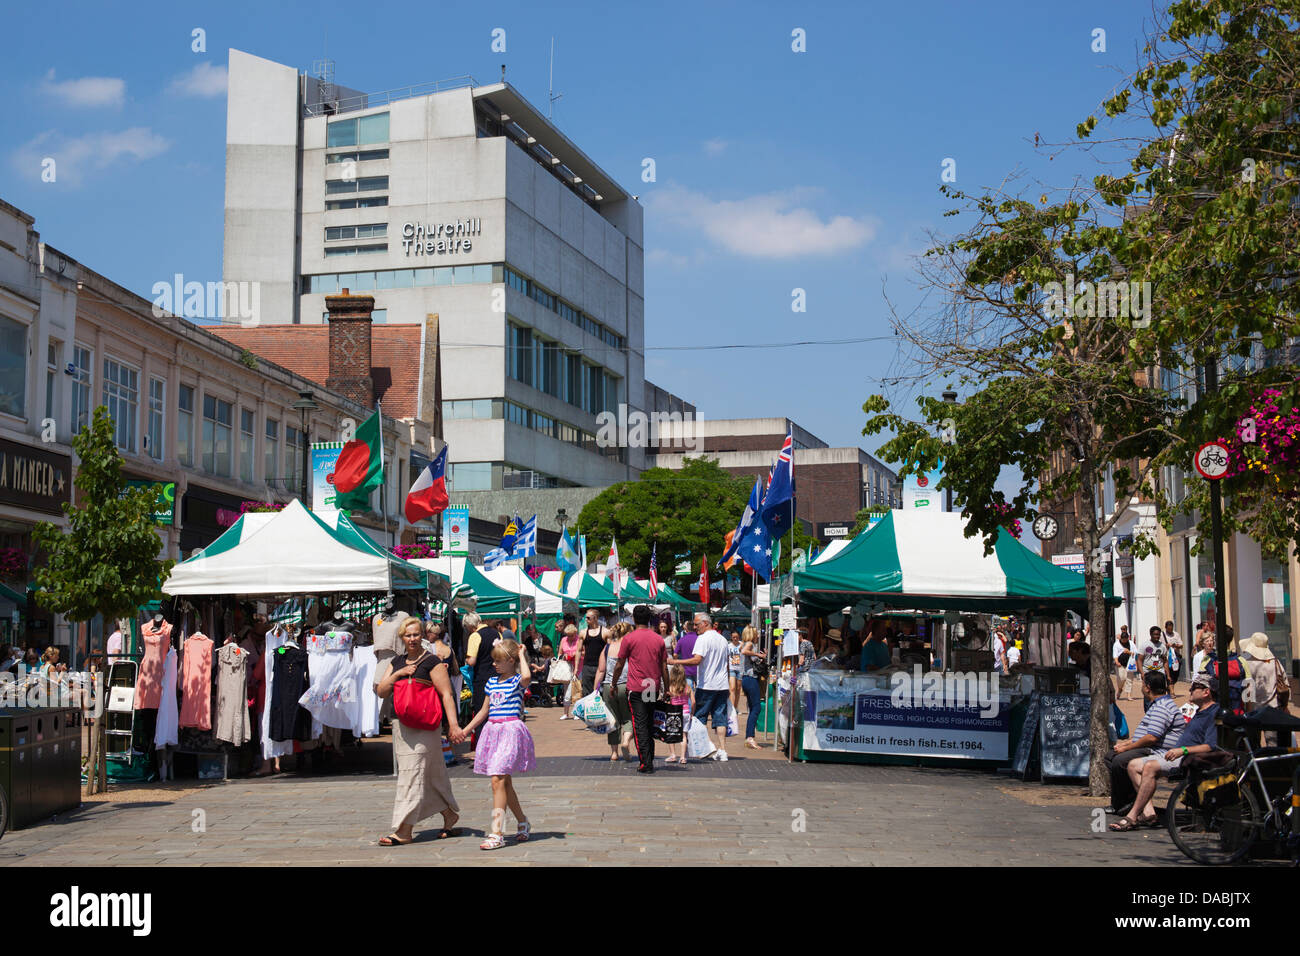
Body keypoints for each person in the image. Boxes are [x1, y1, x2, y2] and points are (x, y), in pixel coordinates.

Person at [373, 617, 464, 846]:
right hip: (403, 727)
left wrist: (453, 725)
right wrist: (397, 675)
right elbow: (382, 691)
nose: (412, 639)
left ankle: (404, 829)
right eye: (408, 635)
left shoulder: (431, 661)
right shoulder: (397, 661)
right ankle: (449, 813)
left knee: (411, 775)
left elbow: (446, 694)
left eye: (416, 634)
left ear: (422, 635)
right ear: (401, 638)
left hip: (426, 727)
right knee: (432, 774)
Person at [1110, 673, 1219, 832]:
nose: (1190, 689)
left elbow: (1210, 746)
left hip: (1186, 758)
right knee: (1133, 765)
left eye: (1194, 687)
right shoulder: (1200, 712)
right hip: (1176, 754)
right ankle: (1148, 813)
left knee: (1143, 766)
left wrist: (1182, 750)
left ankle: (1132, 816)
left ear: (1206, 692)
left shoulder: (1213, 713)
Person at [455, 639, 535, 850]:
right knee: (504, 783)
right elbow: (484, 711)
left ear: (510, 661)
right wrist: (466, 730)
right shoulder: (492, 682)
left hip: (510, 732)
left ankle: (497, 832)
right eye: (494, 661)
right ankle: (523, 821)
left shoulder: (518, 680)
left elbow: (527, 677)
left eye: (499, 661)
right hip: (493, 733)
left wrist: (521, 655)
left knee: (497, 779)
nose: (494, 664)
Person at [1104, 672, 1184, 816]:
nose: (1141, 687)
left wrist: (1127, 748)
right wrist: (1126, 744)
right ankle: (1128, 799)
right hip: (1148, 746)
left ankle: (1125, 803)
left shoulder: (1162, 707)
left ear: (1147, 688)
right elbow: (1144, 734)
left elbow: (1152, 738)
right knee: (1111, 756)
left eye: (1142, 684)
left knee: (1119, 760)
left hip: (1156, 750)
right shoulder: (1156, 705)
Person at [611, 605, 669, 773]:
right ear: (650, 618)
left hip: (636, 687)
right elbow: (664, 666)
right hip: (652, 685)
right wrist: (667, 688)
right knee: (649, 723)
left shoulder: (629, 639)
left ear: (634, 619)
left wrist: (614, 683)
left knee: (640, 725)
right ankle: (648, 757)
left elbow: (619, 664)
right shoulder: (658, 639)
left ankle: (645, 762)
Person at [671, 612, 731, 761]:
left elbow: (697, 660)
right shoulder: (723, 640)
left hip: (707, 684)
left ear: (705, 623)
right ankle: (722, 750)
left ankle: (707, 746)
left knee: (699, 717)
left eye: (697, 624)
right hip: (722, 684)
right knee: (720, 717)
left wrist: (676, 662)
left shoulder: (703, 639)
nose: (695, 627)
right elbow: (727, 663)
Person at [595, 622, 634, 761]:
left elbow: (601, 670)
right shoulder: (630, 648)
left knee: (612, 719)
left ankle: (614, 753)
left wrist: (594, 690)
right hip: (626, 685)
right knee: (628, 716)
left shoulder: (607, 647)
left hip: (608, 686)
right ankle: (626, 741)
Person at [463, 613, 501, 748]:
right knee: (495, 714)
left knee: (481, 715)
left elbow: (472, 661)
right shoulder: (496, 633)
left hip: (482, 679)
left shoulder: (475, 636)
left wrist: (466, 659)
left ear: (471, 626)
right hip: (498, 677)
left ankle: (482, 749)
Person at [738, 625, 764, 750]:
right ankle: (750, 737)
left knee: (753, 707)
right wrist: (759, 655)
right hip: (750, 678)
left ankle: (749, 736)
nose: (758, 636)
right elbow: (744, 652)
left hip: (746, 679)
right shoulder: (749, 644)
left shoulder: (744, 644)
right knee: (756, 707)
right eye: (756, 633)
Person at [664, 664, 694, 763]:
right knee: (684, 735)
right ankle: (682, 757)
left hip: (673, 712)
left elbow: (667, 702)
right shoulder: (688, 687)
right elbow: (693, 702)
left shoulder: (670, 688)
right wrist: (692, 713)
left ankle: (673, 755)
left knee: (670, 734)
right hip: (685, 712)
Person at [575, 609, 608, 699]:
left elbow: (610, 650)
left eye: (588, 618)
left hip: (601, 667)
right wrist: (576, 668)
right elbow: (578, 650)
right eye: (586, 618)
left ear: (595, 618)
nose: (586, 620)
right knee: (586, 693)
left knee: (601, 693)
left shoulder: (605, 632)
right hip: (587, 667)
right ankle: (588, 712)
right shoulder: (583, 632)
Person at [558, 624, 581, 718]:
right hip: (566, 667)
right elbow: (560, 652)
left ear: (575, 633)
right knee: (566, 689)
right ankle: (565, 713)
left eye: (572, 635)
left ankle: (577, 713)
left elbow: (584, 652)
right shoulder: (563, 640)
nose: (570, 637)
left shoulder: (579, 639)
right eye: (568, 635)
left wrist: (576, 654)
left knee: (576, 689)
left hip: (578, 667)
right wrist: (562, 657)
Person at [675, 621, 699, 693]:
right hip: (698, 669)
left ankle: (690, 704)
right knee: (699, 691)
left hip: (686, 669)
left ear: (686, 630)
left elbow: (675, 654)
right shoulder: (699, 639)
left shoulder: (681, 640)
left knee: (689, 691)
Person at [1112, 628, 1136, 700]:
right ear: (1121, 639)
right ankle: (1120, 689)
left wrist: (1129, 652)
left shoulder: (1131, 643)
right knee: (1121, 678)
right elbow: (1115, 655)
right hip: (1120, 664)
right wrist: (1117, 662)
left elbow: (1135, 652)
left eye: (1126, 640)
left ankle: (1128, 695)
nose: (1125, 641)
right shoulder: (1116, 644)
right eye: (1123, 640)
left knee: (1129, 679)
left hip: (1129, 664)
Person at [727, 630, 744, 711]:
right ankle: (732, 708)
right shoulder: (728, 646)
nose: (735, 639)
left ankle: (736, 706)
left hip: (740, 669)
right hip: (731, 668)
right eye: (733, 637)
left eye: (736, 637)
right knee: (732, 688)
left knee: (738, 689)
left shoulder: (742, 645)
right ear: (731, 637)